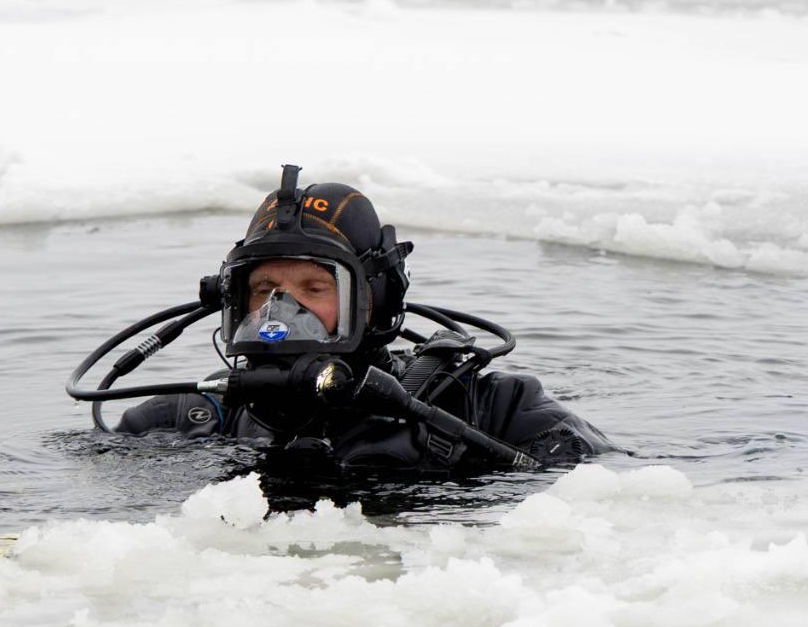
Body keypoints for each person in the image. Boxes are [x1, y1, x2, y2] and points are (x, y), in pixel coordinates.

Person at [114, 168, 611, 472]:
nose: (279, 314)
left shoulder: (493, 408)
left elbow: (611, 495)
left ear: (372, 299)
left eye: (315, 288)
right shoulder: (190, 417)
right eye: (264, 289)